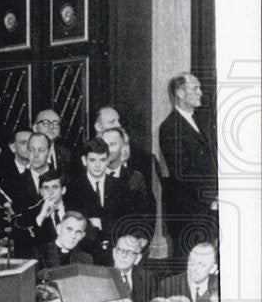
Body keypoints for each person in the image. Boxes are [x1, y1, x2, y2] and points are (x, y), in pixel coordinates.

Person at [158, 73, 218, 257]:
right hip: (189, 213)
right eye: (195, 88)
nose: (200, 92)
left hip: (209, 208)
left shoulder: (203, 121)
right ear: (180, 93)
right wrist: (212, 197)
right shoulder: (170, 127)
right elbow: (183, 173)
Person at [66, 137, 124, 265]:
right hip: (84, 254)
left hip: (114, 252)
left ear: (108, 159)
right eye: (92, 160)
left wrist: (101, 222)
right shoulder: (72, 188)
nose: (98, 165)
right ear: (84, 160)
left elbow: (123, 220)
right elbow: (75, 223)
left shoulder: (120, 186)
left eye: (102, 160)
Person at [100, 126, 156, 241]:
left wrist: (141, 239)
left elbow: (147, 214)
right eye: (105, 145)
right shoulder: (93, 176)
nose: (108, 150)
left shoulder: (136, 178)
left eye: (113, 145)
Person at [93, 106, 157, 195]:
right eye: (112, 122)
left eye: (118, 121)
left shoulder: (144, 160)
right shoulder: (85, 156)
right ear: (98, 127)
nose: (118, 125)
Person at [13, 167, 68, 256]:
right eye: (46, 188)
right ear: (41, 192)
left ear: (63, 190)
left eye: (55, 187)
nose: (50, 192)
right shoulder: (31, 214)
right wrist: (40, 217)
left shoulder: (76, 210)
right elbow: (25, 247)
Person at [111, 233, 152, 302]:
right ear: (114, 253)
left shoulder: (147, 278)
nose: (123, 255)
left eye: (129, 252)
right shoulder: (102, 277)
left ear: (137, 258)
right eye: (120, 250)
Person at [32, 109, 75, 177]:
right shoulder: (26, 153)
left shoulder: (66, 154)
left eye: (55, 123)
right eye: (46, 122)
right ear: (35, 128)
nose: (51, 127)